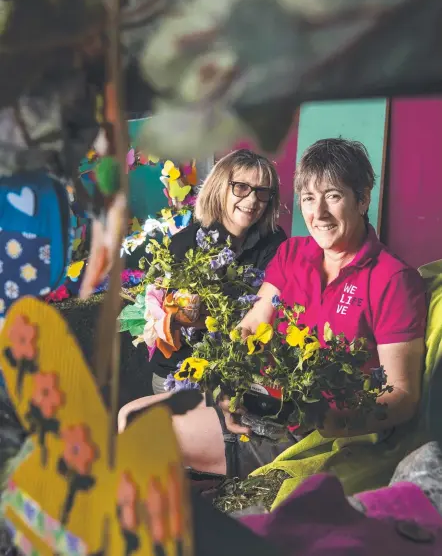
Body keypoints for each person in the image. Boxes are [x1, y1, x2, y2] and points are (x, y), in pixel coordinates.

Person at [118, 138, 427, 482]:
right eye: (309, 199)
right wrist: (229, 388)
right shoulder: (291, 254)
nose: (319, 213)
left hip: (313, 433)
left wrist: (337, 420)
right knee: (129, 415)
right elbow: (249, 328)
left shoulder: (393, 279)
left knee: (137, 433)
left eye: (333, 196)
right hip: (266, 408)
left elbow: (402, 395)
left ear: (363, 198)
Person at [125, 148, 287, 397]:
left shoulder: (274, 242)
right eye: (241, 187)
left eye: (262, 192)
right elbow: (172, 319)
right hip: (180, 373)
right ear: (220, 187)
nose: (253, 200)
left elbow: (270, 307)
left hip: (237, 373)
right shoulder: (185, 244)